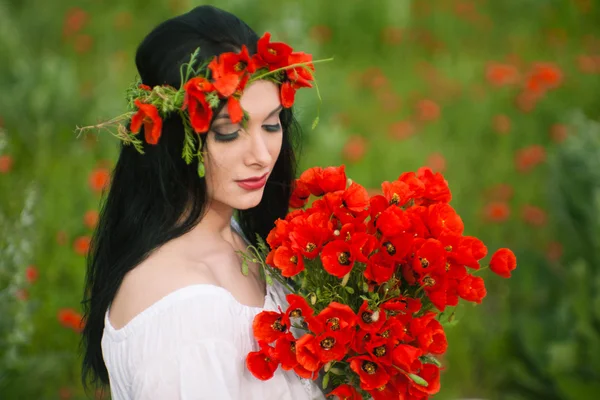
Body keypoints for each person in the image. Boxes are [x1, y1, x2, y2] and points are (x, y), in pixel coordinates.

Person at [80, 5, 326, 399]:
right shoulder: (185, 318)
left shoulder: (234, 232)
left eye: (271, 123)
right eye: (229, 132)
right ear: (176, 139)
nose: (262, 155)